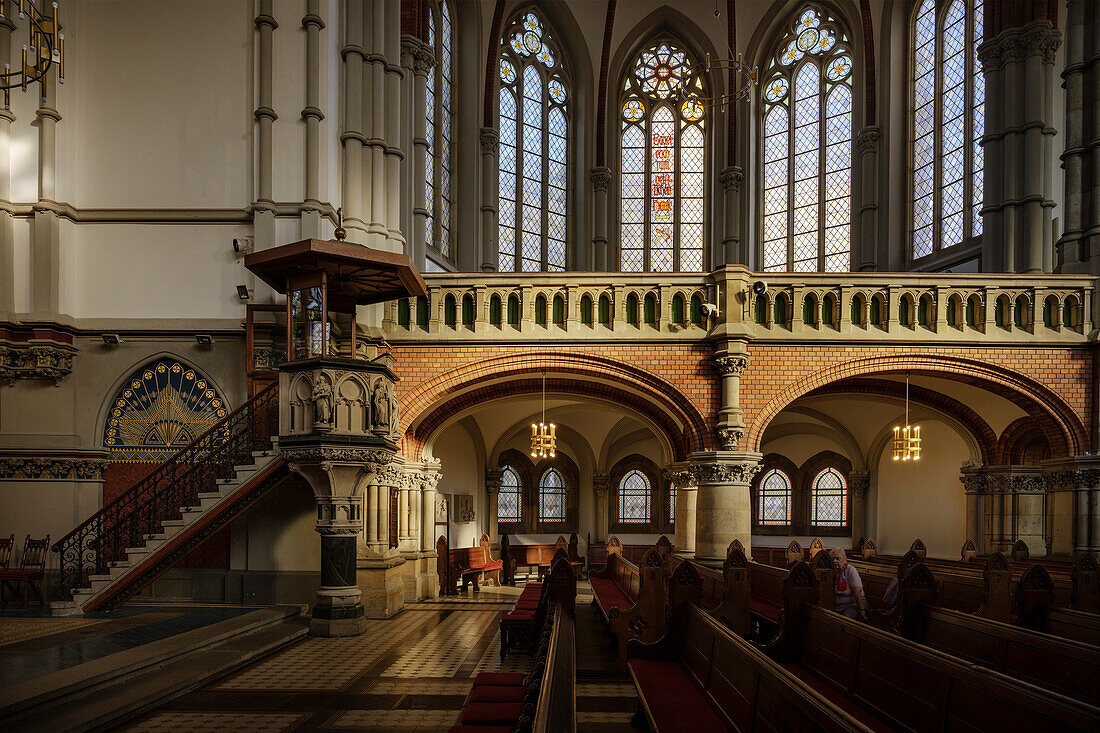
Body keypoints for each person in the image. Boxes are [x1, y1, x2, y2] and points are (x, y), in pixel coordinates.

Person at [830, 548, 867, 620]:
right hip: (836, 606)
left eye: (838, 558)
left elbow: (857, 592)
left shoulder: (850, 570)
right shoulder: (829, 571)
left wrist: (862, 610)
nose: (834, 561)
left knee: (844, 619)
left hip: (852, 605)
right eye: (832, 559)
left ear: (845, 559)